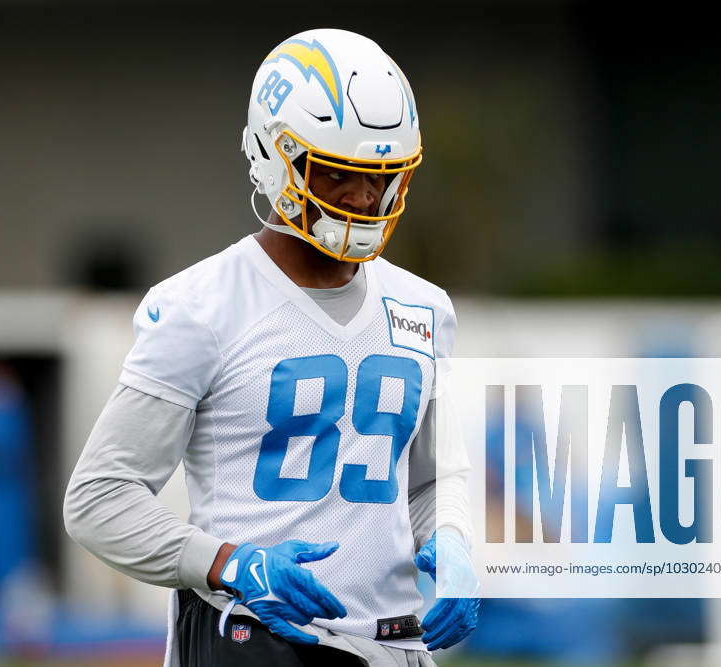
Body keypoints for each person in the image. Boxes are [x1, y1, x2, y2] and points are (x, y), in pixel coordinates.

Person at [64, 28, 479, 667]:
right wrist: (230, 564)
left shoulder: (425, 309)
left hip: (397, 643)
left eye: (383, 176)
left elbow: (426, 479)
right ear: (275, 155)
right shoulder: (201, 306)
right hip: (256, 637)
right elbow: (99, 499)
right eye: (341, 172)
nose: (367, 197)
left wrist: (452, 543)